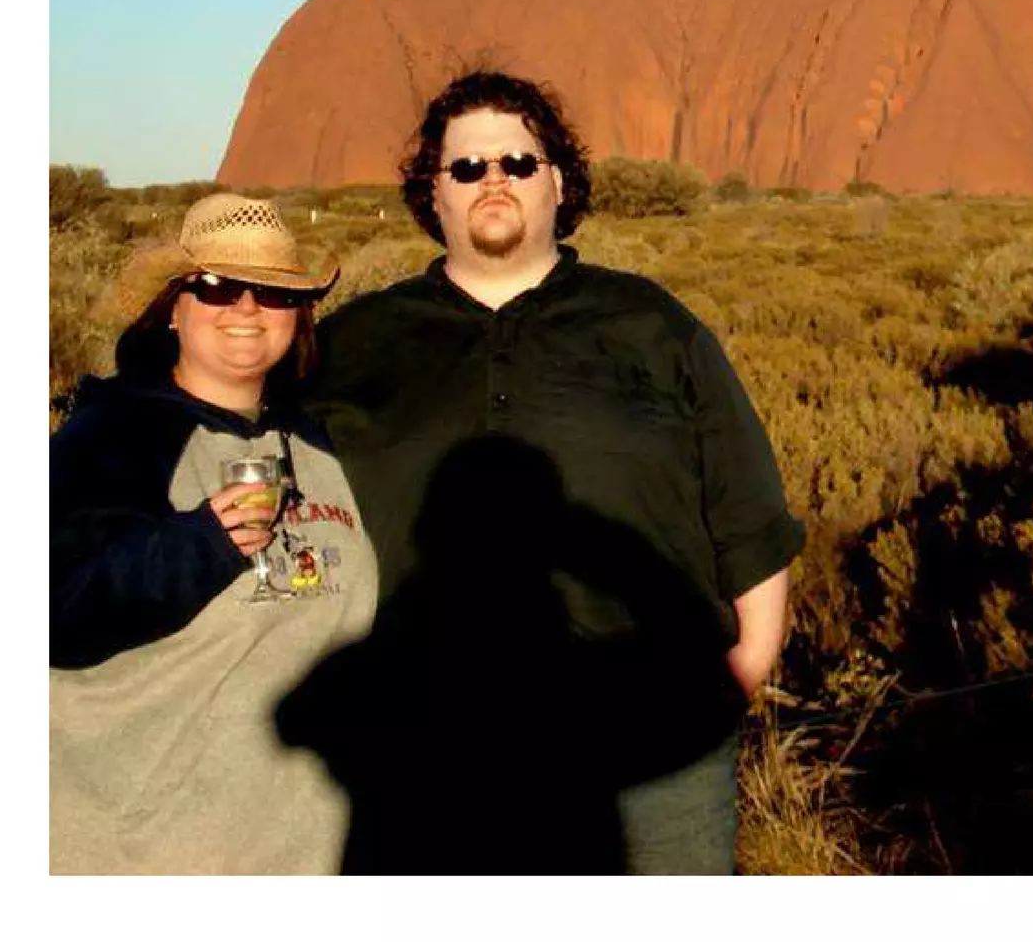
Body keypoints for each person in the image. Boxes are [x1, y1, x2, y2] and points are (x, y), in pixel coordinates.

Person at [298, 70, 803, 874]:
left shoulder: (652, 324)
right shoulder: (358, 341)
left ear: (558, 183)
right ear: (435, 194)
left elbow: (745, 504)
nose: (493, 180)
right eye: (467, 167)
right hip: (425, 738)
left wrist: (743, 667)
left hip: (647, 733)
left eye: (518, 163)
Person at [50, 194, 377, 875]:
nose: (246, 307)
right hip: (142, 854)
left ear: (300, 314)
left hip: (302, 853)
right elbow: (58, 611)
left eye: (273, 291)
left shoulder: (317, 439)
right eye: (218, 286)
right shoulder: (112, 436)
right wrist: (200, 542)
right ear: (173, 306)